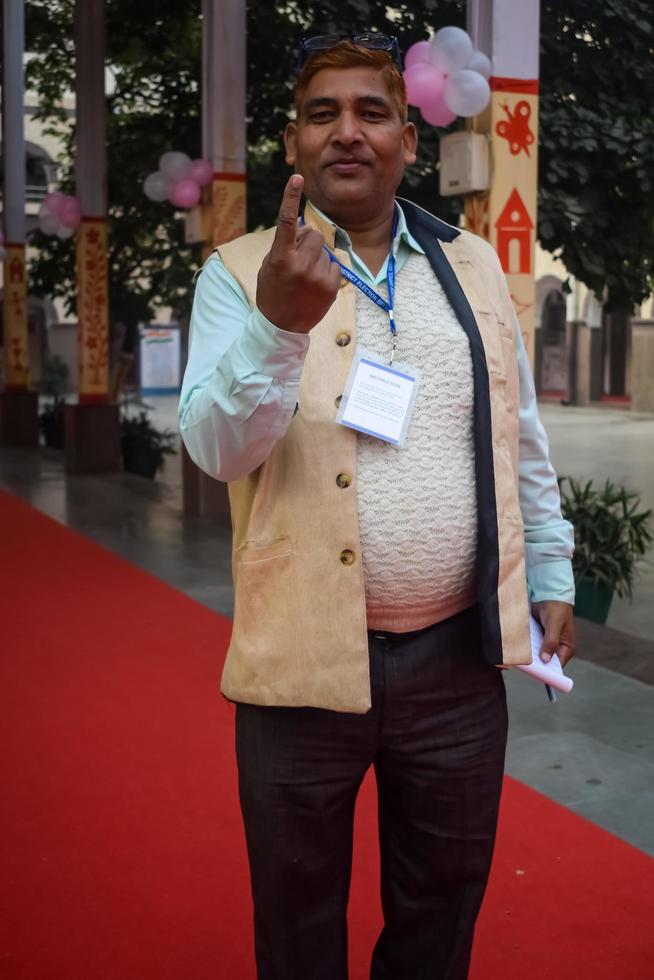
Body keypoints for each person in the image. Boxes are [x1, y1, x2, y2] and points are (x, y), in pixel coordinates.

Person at [179, 35, 576, 980]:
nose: (347, 132)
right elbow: (216, 448)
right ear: (292, 142)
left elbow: (518, 434)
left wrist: (552, 568)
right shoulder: (238, 275)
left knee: (441, 908)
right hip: (301, 666)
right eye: (323, 114)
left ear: (407, 137)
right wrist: (278, 326)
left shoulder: (474, 266)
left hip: (455, 663)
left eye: (371, 113)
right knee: (297, 914)